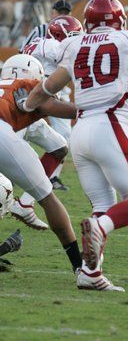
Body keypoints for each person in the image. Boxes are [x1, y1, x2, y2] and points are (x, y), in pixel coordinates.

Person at [23, 0, 128, 292]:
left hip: (80, 133)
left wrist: (26, 106)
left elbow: (43, 91)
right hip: (110, 125)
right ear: (120, 20)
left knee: (103, 203)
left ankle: (90, 271)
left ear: (88, 23)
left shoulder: (74, 46)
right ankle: (100, 228)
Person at [1, 54, 83, 278]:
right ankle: (80, 266)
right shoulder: (29, 85)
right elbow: (58, 108)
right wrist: (99, 109)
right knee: (48, 199)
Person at [21, 15, 85, 191]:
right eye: (73, 35)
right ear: (59, 34)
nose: (77, 40)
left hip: (42, 94)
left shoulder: (45, 45)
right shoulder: (50, 45)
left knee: (60, 142)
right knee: (18, 150)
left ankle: (43, 184)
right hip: (29, 99)